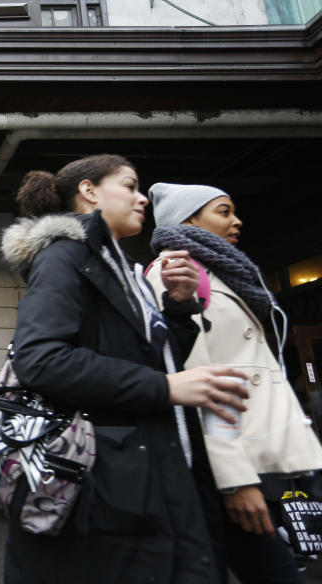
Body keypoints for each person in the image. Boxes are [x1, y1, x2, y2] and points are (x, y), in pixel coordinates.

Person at [0, 154, 249, 583]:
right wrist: (165, 387)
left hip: (144, 469)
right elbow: (40, 359)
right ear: (89, 191)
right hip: (108, 481)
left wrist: (179, 306)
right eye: (130, 186)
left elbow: (150, 356)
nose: (142, 198)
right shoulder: (65, 256)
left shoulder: (123, 268)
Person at [146, 182, 322, 583]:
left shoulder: (220, 272)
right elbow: (197, 383)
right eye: (223, 212)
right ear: (189, 219)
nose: (236, 221)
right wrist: (235, 480)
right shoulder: (178, 271)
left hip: (246, 453)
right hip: (217, 464)